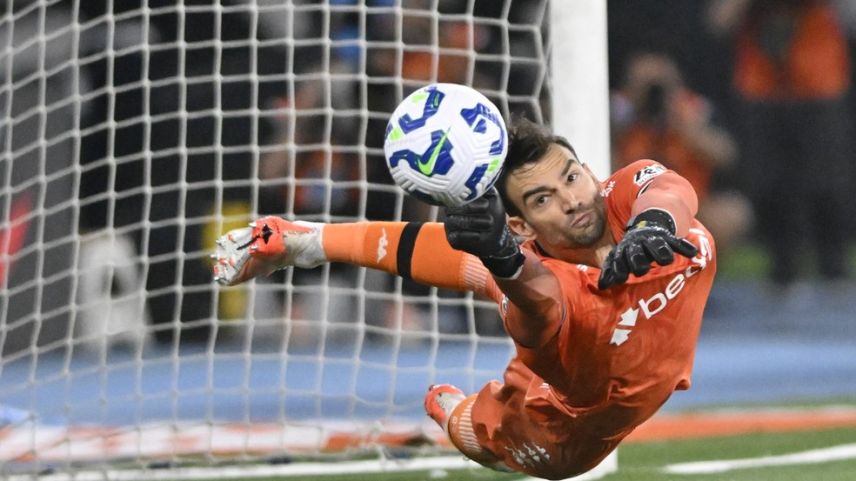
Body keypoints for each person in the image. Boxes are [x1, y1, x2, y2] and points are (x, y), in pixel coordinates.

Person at [211, 117, 716, 479]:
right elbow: (534, 297)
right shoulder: (541, 283)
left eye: (570, 176)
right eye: (542, 199)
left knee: (485, 269)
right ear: (519, 224)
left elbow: (671, 190)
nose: (572, 199)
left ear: (587, 169)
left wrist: (652, 226)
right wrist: (504, 260)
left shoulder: (629, 196)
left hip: (640, 360)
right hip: (561, 429)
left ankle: (304, 243)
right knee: (487, 438)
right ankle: (465, 420)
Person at [707, 0, 852, 288]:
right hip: (762, 87)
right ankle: (783, 269)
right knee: (771, 184)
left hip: (819, 83)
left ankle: (833, 267)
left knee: (828, 182)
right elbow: (719, 22)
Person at [611, 52, 752, 255]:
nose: (654, 94)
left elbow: (726, 155)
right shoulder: (618, 115)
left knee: (733, 213)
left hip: (690, 205)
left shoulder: (693, 111)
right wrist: (626, 122)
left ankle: (700, 272)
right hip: (632, 208)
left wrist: (684, 125)